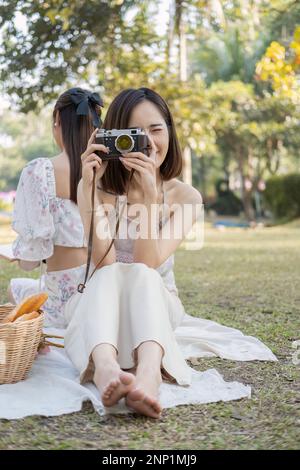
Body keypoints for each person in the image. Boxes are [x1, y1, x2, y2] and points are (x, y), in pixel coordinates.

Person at [63, 87, 203, 418]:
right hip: (103, 306)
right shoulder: (95, 188)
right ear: (111, 138)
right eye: (132, 134)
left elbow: (146, 264)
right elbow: (104, 263)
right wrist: (89, 189)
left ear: (169, 131)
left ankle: (149, 371)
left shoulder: (186, 197)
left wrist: (148, 200)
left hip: (154, 305)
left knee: (141, 273)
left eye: (156, 129)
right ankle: (107, 369)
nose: (147, 143)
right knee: (110, 273)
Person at [7, 87, 103, 328]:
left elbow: (30, 262)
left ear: (58, 121)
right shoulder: (108, 171)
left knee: (15, 287)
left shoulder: (40, 171)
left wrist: (17, 256)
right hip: (105, 293)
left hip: (63, 301)